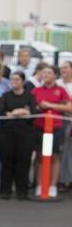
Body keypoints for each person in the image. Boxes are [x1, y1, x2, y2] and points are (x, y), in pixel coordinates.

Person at [31, 64, 72, 197]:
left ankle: (53, 185)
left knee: (54, 156)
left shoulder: (61, 90)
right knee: (40, 156)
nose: (46, 75)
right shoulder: (36, 90)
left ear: (55, 75)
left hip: (56, 127)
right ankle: (40, 184)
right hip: (39, 127)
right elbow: (32, 106)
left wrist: (50, 105)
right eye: (44, 73)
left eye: (49, 73)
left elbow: (69, 107)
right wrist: (38, 108)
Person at [0, 70, 36, 199]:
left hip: (25, 134)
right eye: (12, 79)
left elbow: (33, 113)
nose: (14, 82)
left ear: (23, 81)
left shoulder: (30, 96)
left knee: (23, 162)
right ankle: (5, 190)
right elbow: (1, 113)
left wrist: (19, 112)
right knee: (7, 162)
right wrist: (19, 112)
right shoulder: (5, 96)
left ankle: (22, 191)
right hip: (7, 133)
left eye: (17, 79)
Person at [58, 59, 72, 190]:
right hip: (59, 121)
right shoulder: (57, 84)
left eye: (66, 68)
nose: (63, 70)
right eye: (62, 68)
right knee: (61, 151)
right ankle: (62, 179)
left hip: (70, 121)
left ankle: (68, 178)